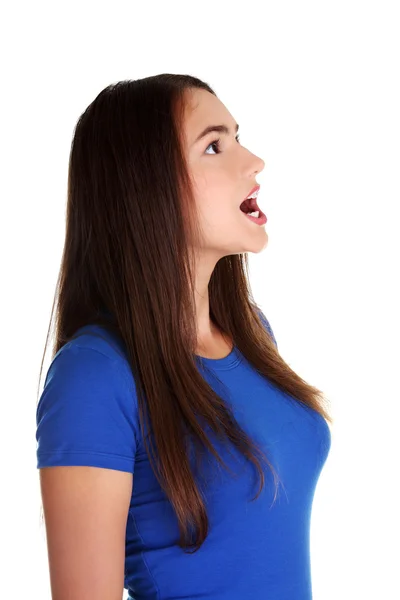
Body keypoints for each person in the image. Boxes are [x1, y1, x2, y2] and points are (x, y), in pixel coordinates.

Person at [36, 74, 332, 600]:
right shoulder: (95, 374)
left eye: (239, 138)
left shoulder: (253, 335)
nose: (253, 162)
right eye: (214, 146)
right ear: (146, 184)